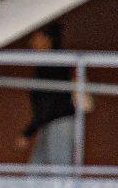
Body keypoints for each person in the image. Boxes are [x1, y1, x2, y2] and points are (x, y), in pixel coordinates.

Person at [18, 23, 86, 167]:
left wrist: (28, 132)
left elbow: (48, 101)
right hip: (50, 122)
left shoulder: (51, 65)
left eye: (35, 38)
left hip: (59, 122)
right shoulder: (49, 64)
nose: (31, 43)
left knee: (59, 168)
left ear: (47, 39)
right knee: (38, 167)